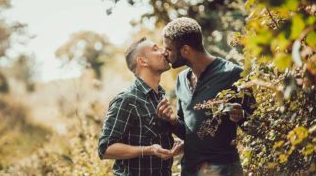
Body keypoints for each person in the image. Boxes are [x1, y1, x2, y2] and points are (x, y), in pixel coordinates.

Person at [157, 17, 256, 176]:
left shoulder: (233, 74)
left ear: (185, 50)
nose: (164, 52)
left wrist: (242, 116)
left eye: (168, 49)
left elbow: (258, 126)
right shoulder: (181, 79)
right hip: (190, 170)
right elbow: (188, 134)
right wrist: (173, 121)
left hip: (224, 170)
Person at [98, 37, 183, 176]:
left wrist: (175, 144)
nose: (164, 51)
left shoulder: (160, 96)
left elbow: (152, 137)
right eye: (155, 49)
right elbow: (105, 149)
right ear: (142, 61)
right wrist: (148, 150)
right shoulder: (127, 99)